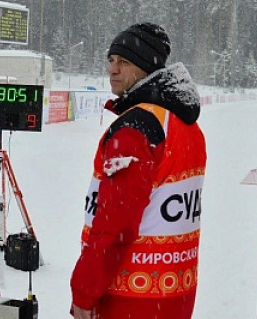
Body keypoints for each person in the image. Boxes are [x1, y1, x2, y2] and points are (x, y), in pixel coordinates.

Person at [70, 23, 207, 319]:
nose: (112, 69)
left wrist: (85, 290)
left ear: (146, 68)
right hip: (174, 292)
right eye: (111, 60)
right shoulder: (184, 125)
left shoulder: (135, 129)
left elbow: (115, 223)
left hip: (128, 295)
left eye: (124, 62)